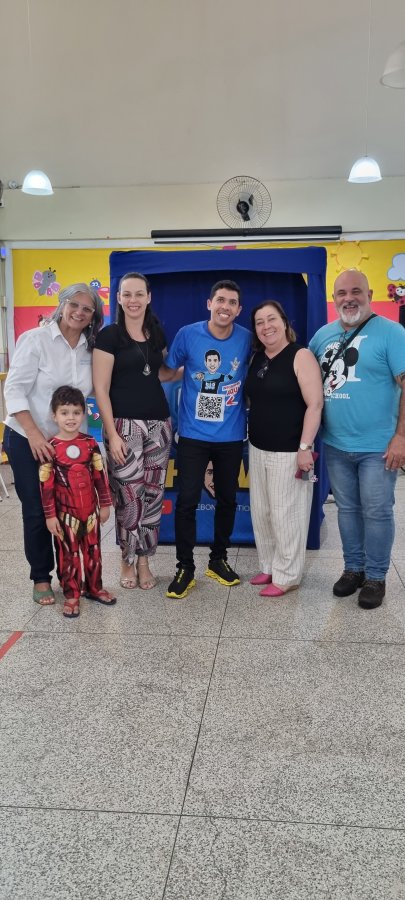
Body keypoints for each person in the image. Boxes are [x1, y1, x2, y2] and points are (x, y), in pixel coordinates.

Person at [309, 269, 405, 609]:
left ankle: (376, 576)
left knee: (377, 512)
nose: (349, 298)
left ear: (369, 294)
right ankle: (354, 569)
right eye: (342, 293)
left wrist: (401, 437)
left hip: (379, 447)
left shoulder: (393, 333)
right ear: (334, 299)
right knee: (347, 510)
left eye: (356, 291)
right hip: (336, 445)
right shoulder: (322, 336)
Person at [4, 283, 104, 606]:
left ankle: (71, 576)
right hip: (27, 438)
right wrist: (34, 434)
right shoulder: (35, 340)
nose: (79, 312)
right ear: (62, 305)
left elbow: (100, 389)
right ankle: (41, 576)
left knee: (69, 511)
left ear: (93, 316)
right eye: (74, 304)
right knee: (36, 510)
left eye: (87, 309)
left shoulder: (91, 349)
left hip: (68, 446)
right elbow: (14, 390)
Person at [163, 279, 251, 599]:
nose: (225, 306)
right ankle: (185, 567)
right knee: (187, 500)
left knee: (227, 499)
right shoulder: (188, 334)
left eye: (232, 302)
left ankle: (218, 559)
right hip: (193, 435)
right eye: (220, 300)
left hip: (231, 436)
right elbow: (168, 371)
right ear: (209, 304)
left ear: (238, 310)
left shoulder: (247, 338)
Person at [92, 272, 172, 590]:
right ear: (119, 298)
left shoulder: (156, 333)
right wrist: (111, 434)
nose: (133, 300)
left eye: (139, 294)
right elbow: (100, 388)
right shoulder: (109, 336)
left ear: (149, 297)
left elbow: (158, 374)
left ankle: (144, 560)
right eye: (127, 294)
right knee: (128, 497)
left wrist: (188, 371)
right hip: (123, 426)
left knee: (152, 496)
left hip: (159, 425)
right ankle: (126, 559)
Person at [245, 301, 323, 596]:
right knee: (262, 512)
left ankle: (287, 576)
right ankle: (269, 566)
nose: (266, 326)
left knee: (286, 515)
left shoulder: (301, 355)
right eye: (260, 322)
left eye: (271, 319)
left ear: (285, 322)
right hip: (258, 447)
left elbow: (315, 405)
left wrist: (305, 447)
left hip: (290, 451)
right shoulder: (257, 358)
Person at [39, 386, 116, 618]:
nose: (70, 418)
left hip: (90, 512)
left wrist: (105, 504)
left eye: (76, 412)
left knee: (94, 552)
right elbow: (46, 486)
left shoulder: (90, 443)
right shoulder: (50, 448)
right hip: (65, 516)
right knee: (68, 555)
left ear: (83, 414)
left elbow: (100, 476)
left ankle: (94, 588)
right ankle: (71, 594)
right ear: (54, 415)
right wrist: (50, 516)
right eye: (64, 413)